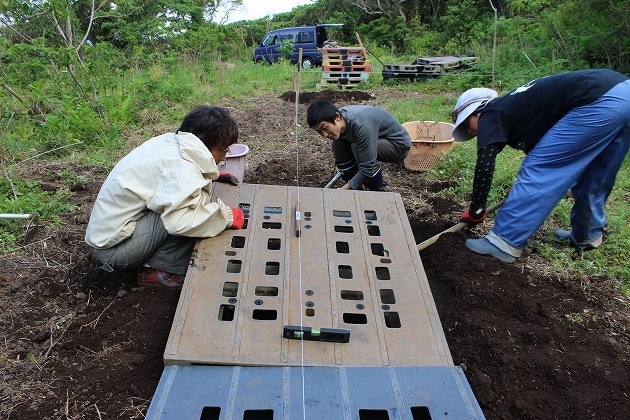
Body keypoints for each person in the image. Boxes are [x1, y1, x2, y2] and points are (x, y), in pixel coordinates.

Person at [451, 69, 629, 263]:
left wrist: (477, 209)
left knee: (539, 169)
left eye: (467, 124)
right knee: (595, 174)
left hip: (595, 99)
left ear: (478, 111)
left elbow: (485, 164)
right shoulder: (519, 108)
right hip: (622, 92)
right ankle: (587, 235)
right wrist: (520, 190)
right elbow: (548, 148)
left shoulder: (491, 112)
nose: (470, 131)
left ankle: (503, 242)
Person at [85, 105, 245, 288]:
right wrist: (227, 216)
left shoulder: (172, 143)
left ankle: (155, 261)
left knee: (187, 200)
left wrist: (208, 177)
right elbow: (182, 220)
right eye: (223, 150)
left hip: (109, 234)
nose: (224, 157)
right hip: (114, 251)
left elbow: (170, 178)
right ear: (207, 146)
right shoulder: (182, 168)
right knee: (186, 212)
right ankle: (158, 271)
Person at [306, 99, 411, 191]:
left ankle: (376, 191)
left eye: (325, 128)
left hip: (397, 146)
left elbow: (367, 168)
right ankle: (356, 190)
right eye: (319, 132)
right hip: (375, 138)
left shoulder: (363, 125)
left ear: (336, 117)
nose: (324, 135)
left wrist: (342, 190)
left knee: (357, 147)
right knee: (338, 145)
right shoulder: (341, 120)